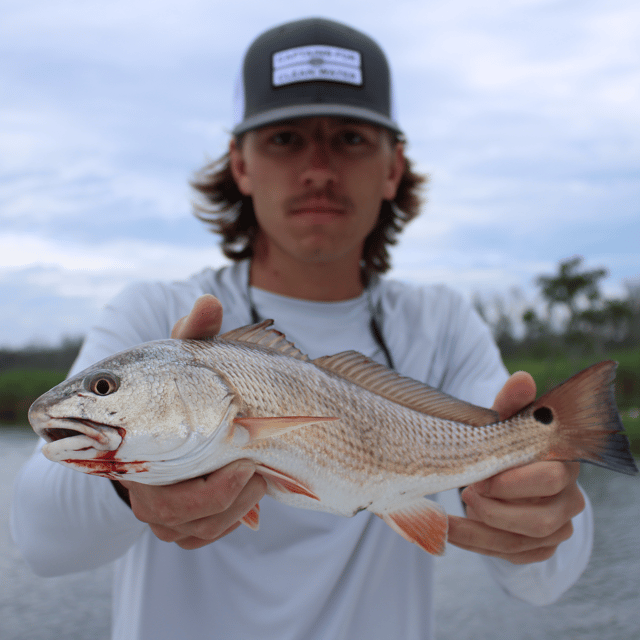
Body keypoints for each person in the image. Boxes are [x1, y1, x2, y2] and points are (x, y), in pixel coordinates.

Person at [12, 17, 592, 640]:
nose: (319, 169)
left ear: (394, 166)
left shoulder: (441, 323)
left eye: (350, 138)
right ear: (240, 164)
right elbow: (41, 541)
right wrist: (130, 490)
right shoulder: (153, 314)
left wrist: (540, 518)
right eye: (285, 139)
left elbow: (547, 580)